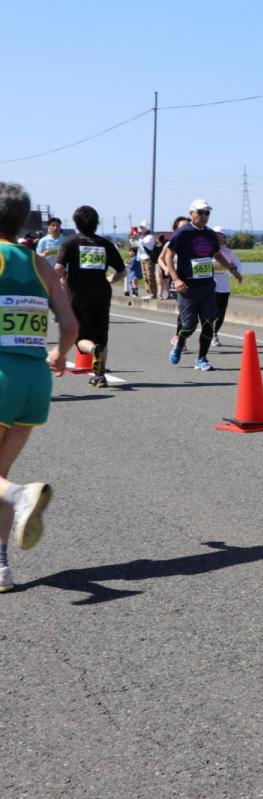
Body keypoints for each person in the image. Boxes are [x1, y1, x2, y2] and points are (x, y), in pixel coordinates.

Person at [0, 183, 79, 592]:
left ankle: (21, 497)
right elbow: (70, 326)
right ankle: (1, 569)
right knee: (0, 473)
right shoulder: (40, 264)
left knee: (8, 486)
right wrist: (60, 355)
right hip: (35, 379)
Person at [55, 205, 126, 388]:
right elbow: (122, 271)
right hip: (101, 293)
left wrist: (63, 280)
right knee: (101, 335)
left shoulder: (70, 242)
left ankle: (94, 350)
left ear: (77, 223)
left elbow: (58, 267)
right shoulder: (106, 244)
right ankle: (99, 376)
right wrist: (109, 279)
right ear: (96, 223)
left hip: (78, 293)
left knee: (80, 338)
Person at [162, 201, 237, 371]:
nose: (204, 216)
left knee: (209, 322)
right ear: (191, 213)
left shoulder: (210, 234)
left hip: (207, 286)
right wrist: (176, 279)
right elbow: (168, 257)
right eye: (201, 212)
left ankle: (202, 358)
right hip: (187, 287)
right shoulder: (183, 233)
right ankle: (180, 343)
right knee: (188, 325)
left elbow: (217, 255)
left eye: (207, 213)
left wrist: (232, 269)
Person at [210, 226, 244, 346]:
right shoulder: (207, 250)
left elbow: (238, 267)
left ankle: (214, 333)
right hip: (209, 285)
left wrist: (234, 270)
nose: (218, 237)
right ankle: (209, 333)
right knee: (210, 312)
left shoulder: (229, 253)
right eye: (215, 234)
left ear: (225, 238)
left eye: (220, 235)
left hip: (224, 286)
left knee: (221, 312)